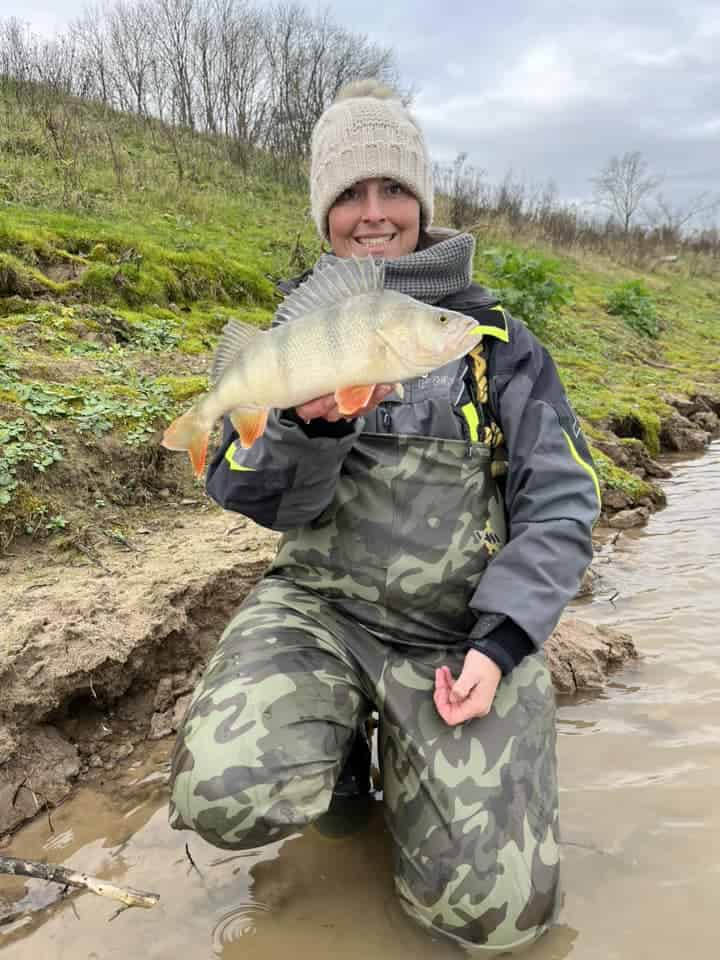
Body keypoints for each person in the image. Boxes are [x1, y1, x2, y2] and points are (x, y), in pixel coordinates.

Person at [168, 80, 600, 953]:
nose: (374, 213)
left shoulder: (499, 349)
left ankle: (414, 765)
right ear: (325, 213)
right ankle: (338, 770)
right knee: (225, 793)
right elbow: (250, 496)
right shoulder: (299, 335)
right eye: (350, 194)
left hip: (456, 637)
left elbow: (561, 503)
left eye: (393, 189)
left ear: (422, 202)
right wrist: (298, 426)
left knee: (496, 921)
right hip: (322, 614)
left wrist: (503, 640)